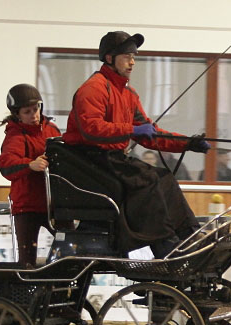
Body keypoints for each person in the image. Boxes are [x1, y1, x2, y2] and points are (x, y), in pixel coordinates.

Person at [63, 30, 210, 257]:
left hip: (111, 160)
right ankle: (165, 245)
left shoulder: (128, 94)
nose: (132, 62)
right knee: (148, 180)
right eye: (126, 56)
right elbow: (92, 129)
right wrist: (131, 129)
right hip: (90, 160)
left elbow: (149, 134)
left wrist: (187, 143)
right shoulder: (93, 88)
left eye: (134, 56)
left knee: (165, 178)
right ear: (110, 58)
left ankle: (190, 235)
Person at [0, 83, 62, 267]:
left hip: (52, 205)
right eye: (27, 111)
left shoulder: (52, 130)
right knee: (27, 261)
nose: (34, 115)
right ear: (17, 114)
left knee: (67, 251)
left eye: (36, 109)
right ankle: (25, 294)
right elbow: (5, 165)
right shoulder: (15, 137)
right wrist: (30, 165)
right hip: (27, 207)